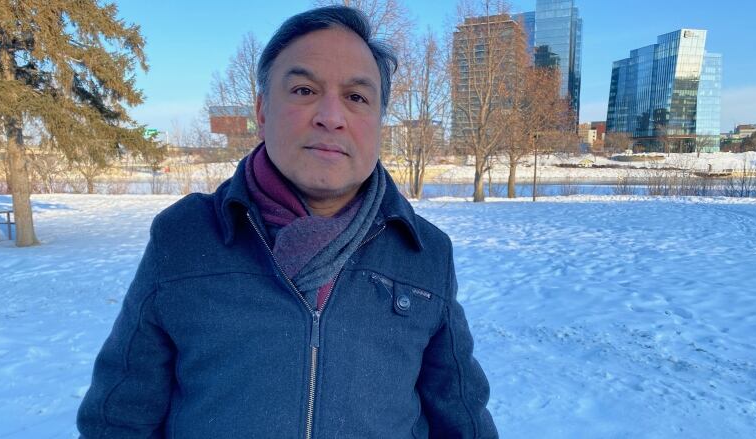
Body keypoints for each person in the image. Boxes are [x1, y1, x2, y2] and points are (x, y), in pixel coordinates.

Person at [77, 6, 497, 438]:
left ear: (379, 121)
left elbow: (462, 417)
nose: (331, 116)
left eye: (357, 97)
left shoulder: (425, 253)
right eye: (303, 90)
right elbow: (119, 419)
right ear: (262, 110)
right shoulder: (184, 237)